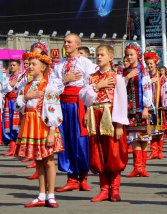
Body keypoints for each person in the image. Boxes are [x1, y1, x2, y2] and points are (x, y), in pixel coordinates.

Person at [80, 44, 129, 202]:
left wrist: (120, 124)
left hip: (111, 116)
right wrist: (97, 86)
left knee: (113, 153)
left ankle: (115, 189)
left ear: (110, 57)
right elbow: (85, 98)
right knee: (98, 152)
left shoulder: (117, 77)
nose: (99, 57)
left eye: (102, 54)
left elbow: (122, 101)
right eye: (97, 55)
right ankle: (103, 189)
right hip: (96, 116)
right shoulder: (92, 77)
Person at [14, 51, 63, 208]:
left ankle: (51, 194)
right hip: (30, 124)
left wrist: (51, 131)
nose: (29, 67)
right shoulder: (26, 85)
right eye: (29, 64)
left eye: (33, 64)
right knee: (38, 160)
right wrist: (28, 96)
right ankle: (41, 194)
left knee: (48, 160)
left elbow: (54, 109)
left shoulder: (49, 86)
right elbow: (18, 106)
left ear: (43, 67)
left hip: (43, 124)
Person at [51, 33, 97, 192]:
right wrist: (66, 79)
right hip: (62, 105)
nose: (66, 44)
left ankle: (83, 176)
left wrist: (88, 109)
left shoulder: (86, 63)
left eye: (69, 41)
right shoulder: (59, 65)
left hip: (79, 104)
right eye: (64, 41)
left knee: (80, 141)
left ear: (77, 44)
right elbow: (51, 86)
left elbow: (91, 86)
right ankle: (71, 178)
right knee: (65, 140)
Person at [123, 42, 153, 177]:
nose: (129, 57)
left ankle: (143, 167)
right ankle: (137, 167)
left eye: (131, 55)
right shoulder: (123, 71)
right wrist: (127, 77)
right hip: (129, 109)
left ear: (137, 55)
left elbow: (147, 89)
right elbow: (119, 88)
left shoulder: (143, 70)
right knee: (134, 138)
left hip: (142, 108)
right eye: (127, 55)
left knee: (144, 137)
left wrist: (146, 107)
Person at [144, 50, 167, 160]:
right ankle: (153, 150)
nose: (149, 65)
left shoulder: (162, 78)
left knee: (160, 130)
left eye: (151, 63)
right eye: (147, 64)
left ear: (155, 63)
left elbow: (166, 91)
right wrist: (150, 81)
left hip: (159, 107)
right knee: (152, 130)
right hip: (150, 108)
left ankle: (160, 151)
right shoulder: (146, 77)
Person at [2, 60, 21, 157]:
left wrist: (11, 86)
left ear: (18, 66)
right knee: (8, 125)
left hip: (17, 102)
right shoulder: (7, 77)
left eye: (14, 65)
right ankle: (12, 148)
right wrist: (10, 85)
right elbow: (3, 89)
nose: (12, 67)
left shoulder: (21, 77)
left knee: (17, 125)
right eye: (11, 65)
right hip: (8, 103)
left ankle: (19, 149)